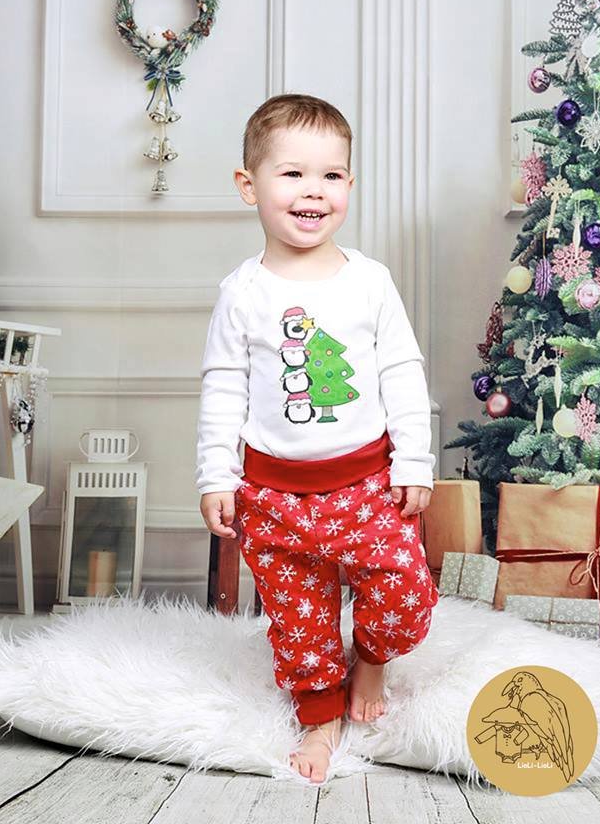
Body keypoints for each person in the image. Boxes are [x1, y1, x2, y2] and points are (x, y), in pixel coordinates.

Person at [196, 93, 438, 785]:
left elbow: (401, 372)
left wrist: (414, 461)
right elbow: (223, 388)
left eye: (331, 176)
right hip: (275, 495)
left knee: (404, 595)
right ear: (249, 186)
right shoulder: (242, 292)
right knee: (299, 622)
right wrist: (216, 476)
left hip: (367, 486)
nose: (314, 191)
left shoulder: (370, 282)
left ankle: (371, 659)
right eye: (293, 174)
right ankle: (320, 714)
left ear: (349, 185)